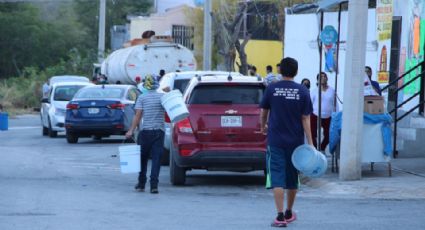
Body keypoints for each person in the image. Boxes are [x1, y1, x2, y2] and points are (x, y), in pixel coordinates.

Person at [260, 57, 313, 228]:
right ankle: (289, 212)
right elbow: (305, 118)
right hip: (295, 143)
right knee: (292, 178)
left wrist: (263, 126)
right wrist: (310, 142)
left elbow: (264, 112)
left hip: (275, 141)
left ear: (280, 70)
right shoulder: (303, 91)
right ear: (296, 72)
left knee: (277, 178)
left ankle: (280, 216)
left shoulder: (271, 89)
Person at [125, 75, 165, 194]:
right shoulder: (162, 97)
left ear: (145, 86)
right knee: (156, 159)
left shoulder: (142, 97)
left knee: (142, 159)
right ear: (157, 85)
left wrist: (131, 130)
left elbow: (138, 116)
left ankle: (141, 183)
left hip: (145, 132)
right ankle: (154, 186)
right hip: (159, 131)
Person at [310, 72, 339, 152]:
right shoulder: (314, 91)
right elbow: (310, 104)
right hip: (315, 115)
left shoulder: (332, 90)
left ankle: (322, 148)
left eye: (324, 76)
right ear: (318, 80)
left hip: (328, 116)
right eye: (321, 77)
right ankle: (315, 150)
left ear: (327, 78)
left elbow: (335, 104)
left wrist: (336, 115)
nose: (323, 78)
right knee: (312, 134)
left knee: (329, 135)